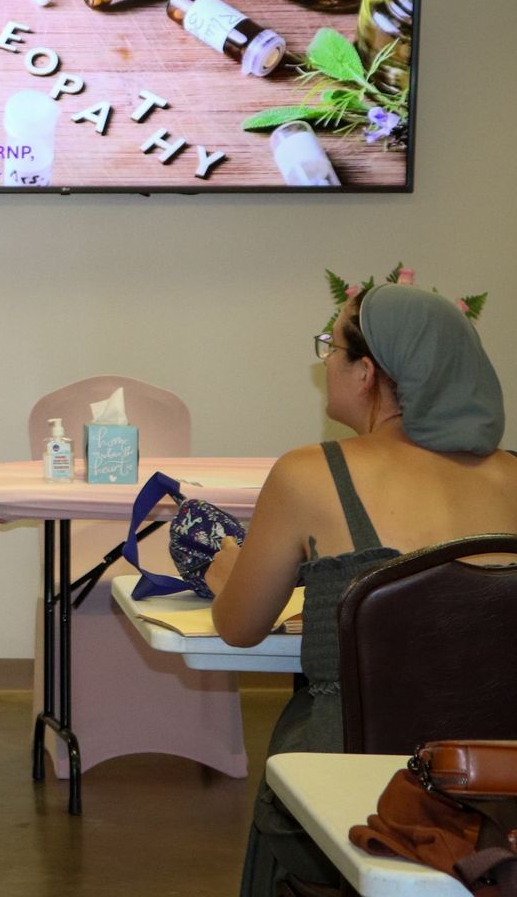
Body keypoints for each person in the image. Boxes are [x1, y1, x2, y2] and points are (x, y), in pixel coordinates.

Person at [209, 282, 516, 897]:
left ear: (367, 373)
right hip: (496, 803)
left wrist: (220, 564)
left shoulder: (308, 473)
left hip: (347, 801)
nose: (324, 361)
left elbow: (239, 628)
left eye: (331, 346)